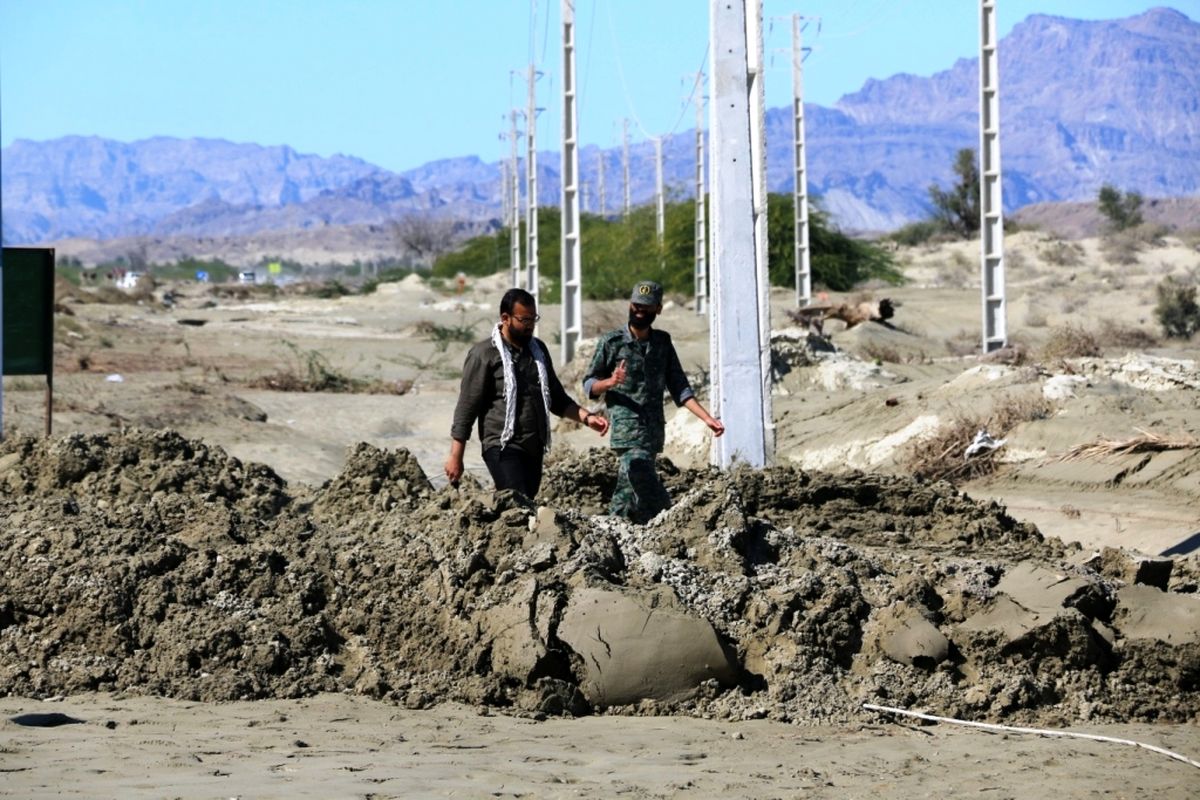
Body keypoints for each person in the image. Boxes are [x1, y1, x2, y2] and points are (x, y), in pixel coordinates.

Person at [583, 280, 725, 522]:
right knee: (640, 480)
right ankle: (667, 522)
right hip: (626, 431)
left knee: (633, 487)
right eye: (636, 305)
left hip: (653, 431)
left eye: (646, 307)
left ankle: (634, 530)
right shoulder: (612, 342)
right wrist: (610, 382)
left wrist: (707, 418)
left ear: (658, 309)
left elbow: (680, 387)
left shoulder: (662, 343)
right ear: (630, 305)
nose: (640, 310)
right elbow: (589, 385)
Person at [446, 288, 609, 497]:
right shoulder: (483, 355)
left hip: (534, 446)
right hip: (501, 444)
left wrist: (587, 418)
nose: (530, 326)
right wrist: (455, 456)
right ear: (505, 318)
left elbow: (557, 400)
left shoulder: (538, 351)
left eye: (533, 319)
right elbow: (466, 409)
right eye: (524, 320)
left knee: (524, 505)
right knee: (517, 499)